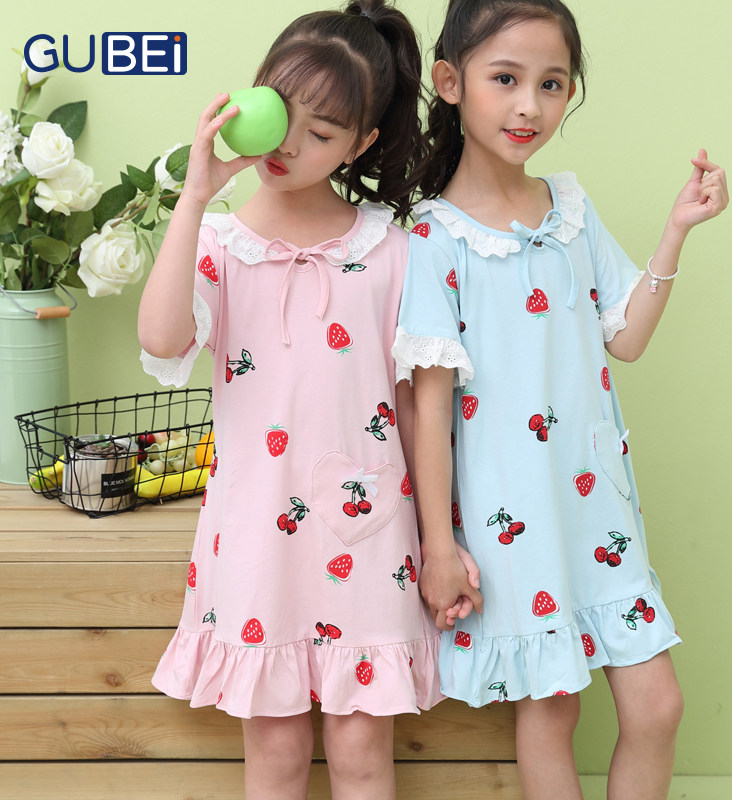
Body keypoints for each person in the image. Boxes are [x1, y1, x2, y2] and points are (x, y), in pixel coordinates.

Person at [392, 1, 728, 798]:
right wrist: (439, 547)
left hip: (598, 509)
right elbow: (428, 409)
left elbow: (626, 338)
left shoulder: (570, 210)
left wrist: (676, 231)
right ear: (451, 82)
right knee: (552, 711)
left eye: (551, 84)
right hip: (512, 521)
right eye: (505, 79)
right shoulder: (433, 238)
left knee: (657, 706)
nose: (529, 106)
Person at [138, 3, 445, 798]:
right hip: (255, 542)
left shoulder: (391, 249)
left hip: (369, 536)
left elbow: (415, 408)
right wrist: (193, 198)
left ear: (360, 144)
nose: (288, 144)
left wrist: (440, 542)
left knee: (361, 755)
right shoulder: (218, 242)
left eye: (323, 132)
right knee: (273, 758)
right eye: (283, 112)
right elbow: (163, 341)